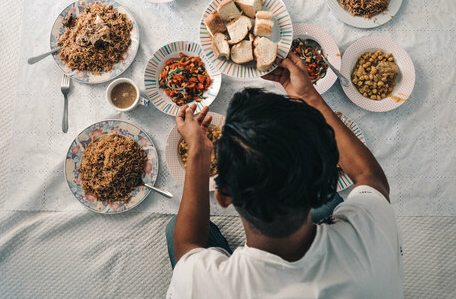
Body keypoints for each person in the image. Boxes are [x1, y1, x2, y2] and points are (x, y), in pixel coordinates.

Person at [165, 53, 403, 298]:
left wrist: (198, 151)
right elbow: (369, 177)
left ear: (223, 195)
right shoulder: (371, 237)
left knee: (174, 228)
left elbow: (186, 248)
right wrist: (308, 96)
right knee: (331, 207)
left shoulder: (199, 284)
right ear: (321, 183)